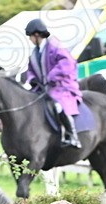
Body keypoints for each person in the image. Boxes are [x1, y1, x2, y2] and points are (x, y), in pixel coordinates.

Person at [24, 18, 83, 148]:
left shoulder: (55, 46)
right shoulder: (34, 53)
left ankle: (72, 135)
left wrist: (51, 76)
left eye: (30, 36)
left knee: (57, 104)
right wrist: (32, 78)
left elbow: (67, 63)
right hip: (43, 87)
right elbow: (31, 70)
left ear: (37, 35)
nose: (30, 40)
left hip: (61, 85)